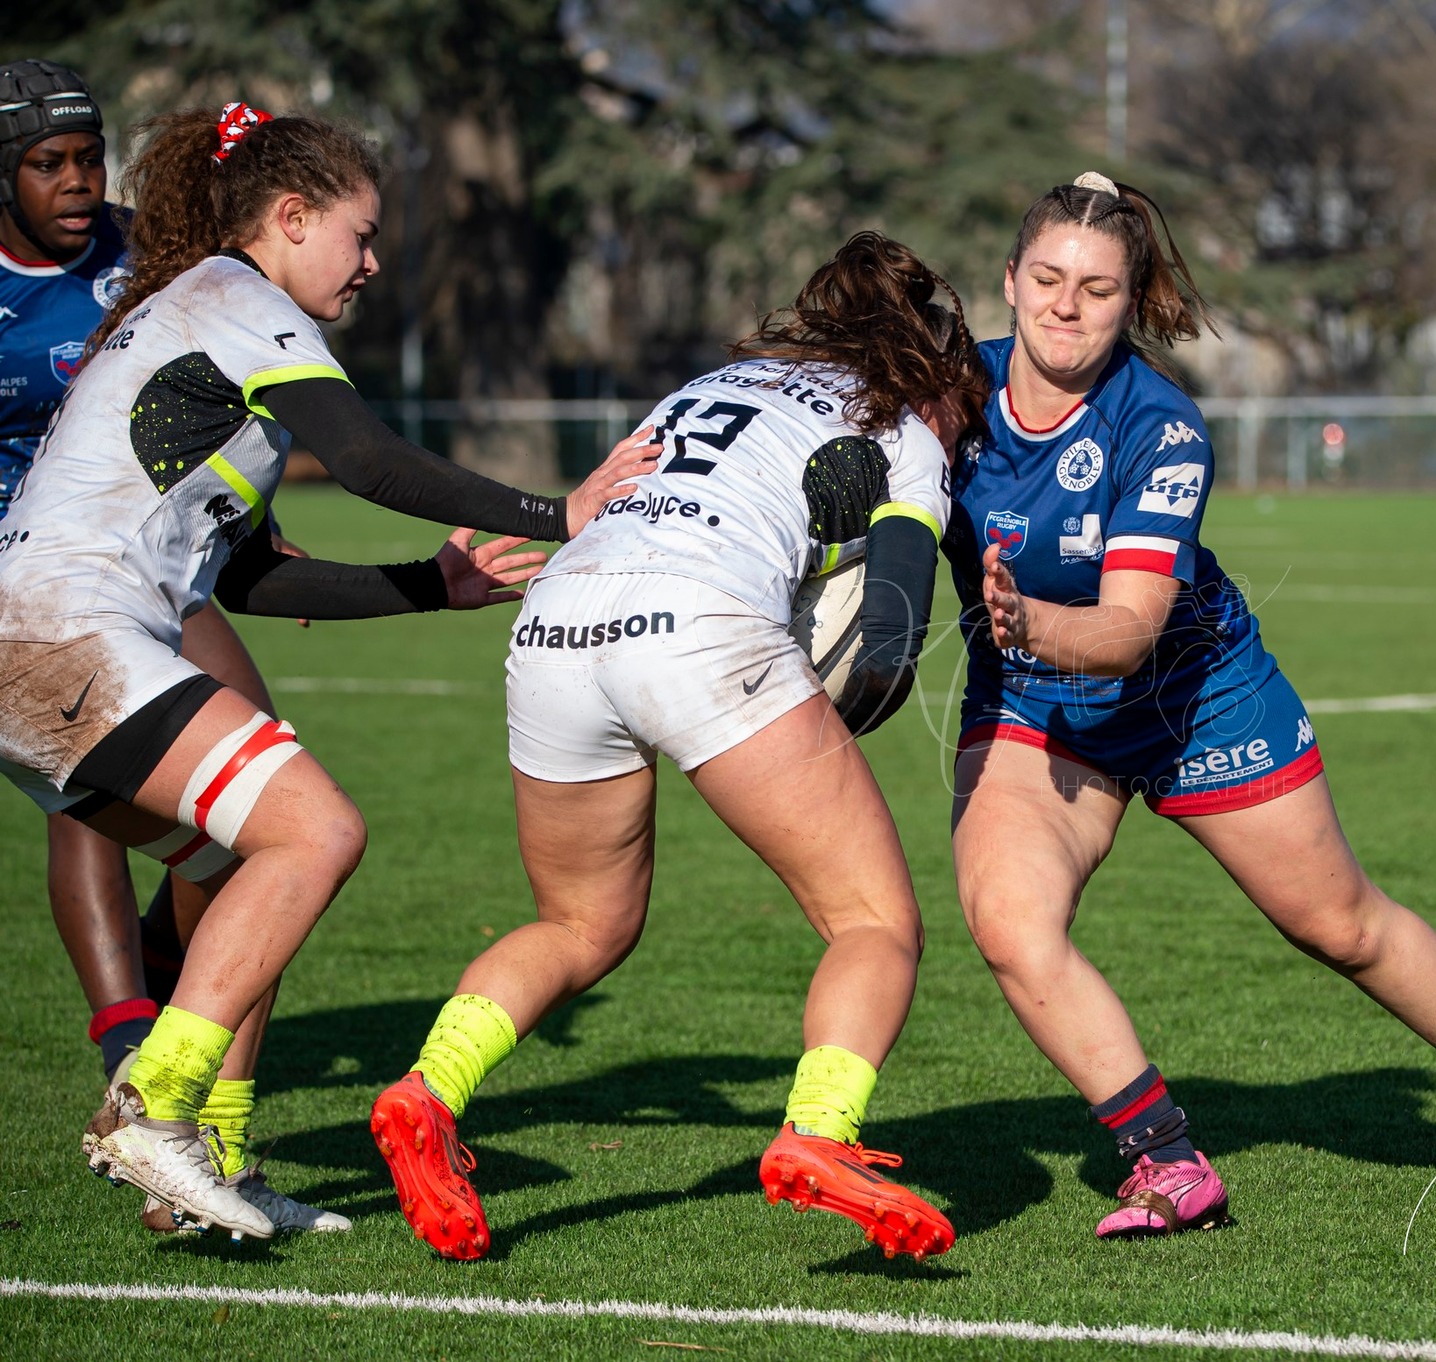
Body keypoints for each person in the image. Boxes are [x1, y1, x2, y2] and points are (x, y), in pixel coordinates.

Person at [0, 100, 657, 1241]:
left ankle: (210, 1162)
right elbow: (366, 460)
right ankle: (154, 1108)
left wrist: (431, 585)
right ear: (292, 217)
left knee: (232, 877)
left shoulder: (203, 315)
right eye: (361, 234)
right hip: (64, 637)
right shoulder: (241, 298)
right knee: (319, 832)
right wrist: (558, 510)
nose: (372, 263)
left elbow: (252, 578)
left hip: (39, 646)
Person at [946, 172, 1436, 1242]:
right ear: (1009, 279)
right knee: (1010, 924)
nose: (1066, 306)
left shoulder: (1161, 427)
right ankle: (1169, 1163)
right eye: (1048, 279)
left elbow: (1127, 630)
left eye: (1098, 289)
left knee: (1337, 925)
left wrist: (1029, 623)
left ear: (1129, 301)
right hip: (1033, 708)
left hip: (1193, 693)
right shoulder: (944, 389)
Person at [370, 231, 982, 1263]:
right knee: (872, 920)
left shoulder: (710, 385)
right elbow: (887, 632)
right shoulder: (904, 427)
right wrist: (828, 709)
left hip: (556, 616)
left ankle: (427, 1089)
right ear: (932, 373)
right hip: (700, 628)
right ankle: (820, 1133)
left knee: (577, 923)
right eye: (966, 407)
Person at [0, 59, 339, 1234]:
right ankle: (134, 1062)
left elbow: (199, 423)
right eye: (47, 163)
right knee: (177, 809)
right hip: (48, 592)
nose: (77, 181)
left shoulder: (152, 261)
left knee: (255, 823)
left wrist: (262, 534)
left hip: (143, 560)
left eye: (90, 157)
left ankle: (203, 1136)